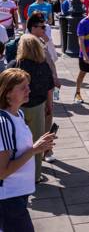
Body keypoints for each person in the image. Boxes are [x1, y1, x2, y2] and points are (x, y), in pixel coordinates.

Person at [0, 68, 56, 232]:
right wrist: (34, 150)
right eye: (23, 87)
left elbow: (21, 149)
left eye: (28, 86)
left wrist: (39, 145)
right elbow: (2, 172)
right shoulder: (3, 123)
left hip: (19, 194)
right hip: (8, 197)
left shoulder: (19, 114)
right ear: (7, 93)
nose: (29, 90)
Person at [6, 35, 54, 182]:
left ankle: (15, 172)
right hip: (37, 107)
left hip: (15, 108)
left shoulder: (15, 64)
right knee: (37, 141)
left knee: (17, 142)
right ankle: (35, 175)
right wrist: (49, 105)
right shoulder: (43, 65)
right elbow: (49, 88)